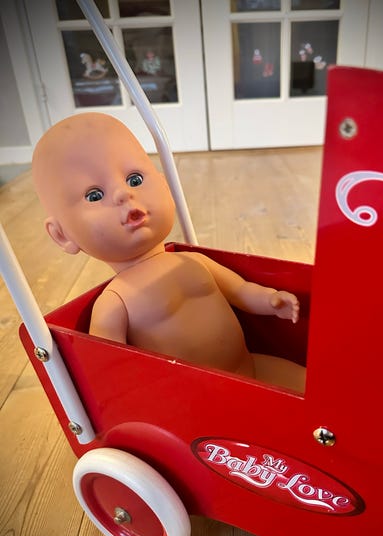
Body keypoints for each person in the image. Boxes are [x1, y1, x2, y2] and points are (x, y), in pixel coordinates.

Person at [32, 113, 306, 392]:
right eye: (94, 195)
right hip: (195, 399)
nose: (123, 194)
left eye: (134, 179)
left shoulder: (193, 260)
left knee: (310, 384)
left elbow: (240, 291)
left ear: (165, 184)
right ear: (62, 235)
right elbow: (109, 365)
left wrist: (270, 300)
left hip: (250, 366)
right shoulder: (115, 302)